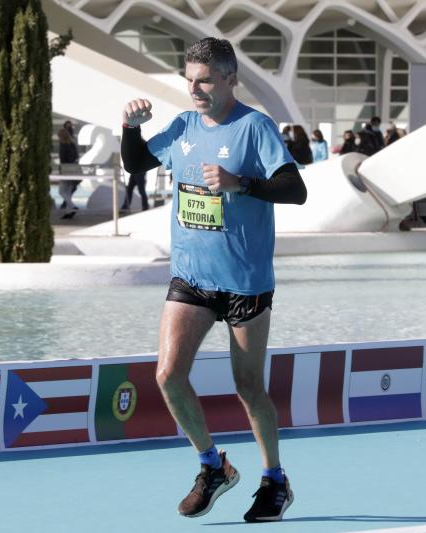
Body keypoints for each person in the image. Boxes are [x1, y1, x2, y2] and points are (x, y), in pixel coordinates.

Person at [120, 37, 306, 522]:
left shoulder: (254, 127)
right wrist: (129, 128)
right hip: (191, 278)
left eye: (204, 80)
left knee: (249, 388)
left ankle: (275, 481)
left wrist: (239, 182)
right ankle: (212, 465)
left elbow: (295, 189)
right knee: (168, 375)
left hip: (245, 282)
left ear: (229, 79)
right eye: (189, 80)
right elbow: (137, 162)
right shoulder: (183, 125)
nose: (195, 89)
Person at [57, 120, 80, 216]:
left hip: (66, 170)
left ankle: (72, 206)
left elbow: (63, 161)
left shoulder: (63, 146)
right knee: (68, 192)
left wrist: (61, 170)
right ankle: (69, 211)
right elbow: (76, 158)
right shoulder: (72, 145)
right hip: (73, 170)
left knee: (61, 191)